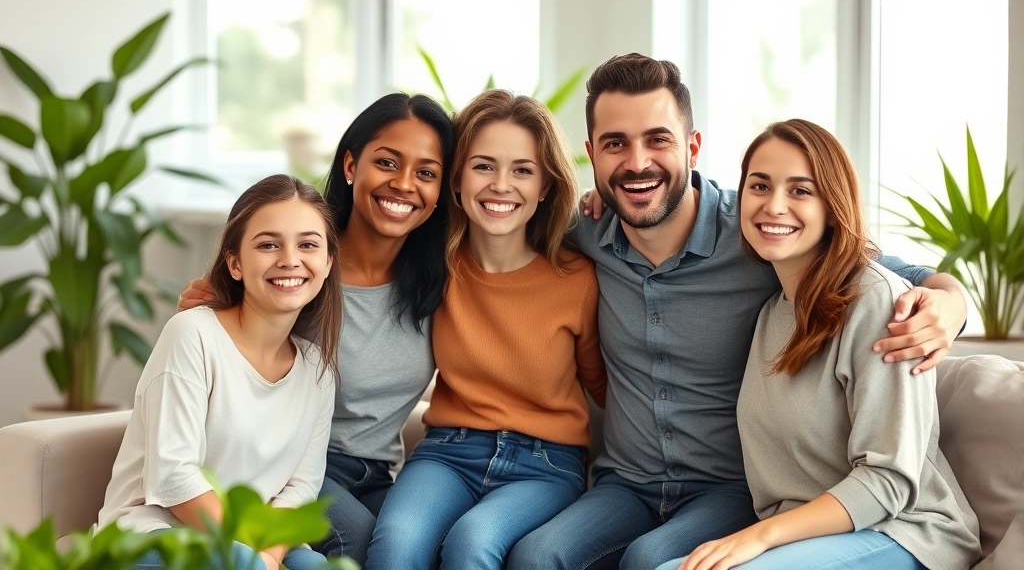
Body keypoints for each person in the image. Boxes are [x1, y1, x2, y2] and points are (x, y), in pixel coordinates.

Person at [507, 53, 969, 570]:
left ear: (693, 147)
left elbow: (883, 269)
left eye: (658, 139)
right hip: (627, 482)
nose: (637, 162)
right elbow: (501, 226)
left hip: (730, 489)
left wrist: (953, 302)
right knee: (535, 556)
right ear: (592, 154)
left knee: (649, 560)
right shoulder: (583, 234)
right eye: (616, 145)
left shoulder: (760, 237)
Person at [655, 119, 981, 570]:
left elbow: (888, 481)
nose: (775, 206)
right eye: (760, 186)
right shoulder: (772, 312)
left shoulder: (877, 301)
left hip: (903, 532)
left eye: (801, 191)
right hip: (807, 538)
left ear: (832, 205)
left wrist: (758, 537)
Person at [178, 93, 456, 566]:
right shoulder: (298, 267)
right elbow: (210, 351)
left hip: (379, 474)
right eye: (387, 162)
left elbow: (526, 228)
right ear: (350, 165)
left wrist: (598, 202)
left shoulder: (442, 277)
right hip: (291, 469)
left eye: (426, 172)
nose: (404, 184)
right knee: (367, 544)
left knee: (426, 547)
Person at [365, 89, 607, 570]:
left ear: (545, 186)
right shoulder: (433, 264)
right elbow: (340, 247)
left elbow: (605, 386)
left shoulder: (577, 278)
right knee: (396, 543)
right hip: (448, 453)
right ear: (455, 180)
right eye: (483, 166)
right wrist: (225, 291)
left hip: (546, 465)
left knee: (472, 542)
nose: (501, 185)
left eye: (522, 170)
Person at [99, 174, 342, 570]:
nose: (290, 259)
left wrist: (267, 554)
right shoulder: (192, 333)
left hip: (252, 542)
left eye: (308, 245)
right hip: (155, 533)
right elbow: (175, 477)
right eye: (268, 244)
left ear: (328, 262)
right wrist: (253, 558)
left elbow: (299, 488)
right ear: (235, 263)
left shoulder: (318, 369)